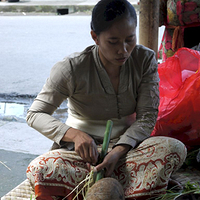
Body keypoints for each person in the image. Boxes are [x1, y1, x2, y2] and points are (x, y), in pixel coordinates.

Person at [26, 0, 187, 199]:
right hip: (80, 156)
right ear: (95, 37)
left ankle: (105, 186)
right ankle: (137, 185)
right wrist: (75, 135)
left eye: (130, 39)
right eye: (113, 42)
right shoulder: (71, 68)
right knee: (41, 168)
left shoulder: (144, 59)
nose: (124, 50)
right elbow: (35, 114)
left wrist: (118, 152)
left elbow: (147, 117)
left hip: (127, 151)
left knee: (174, 149)